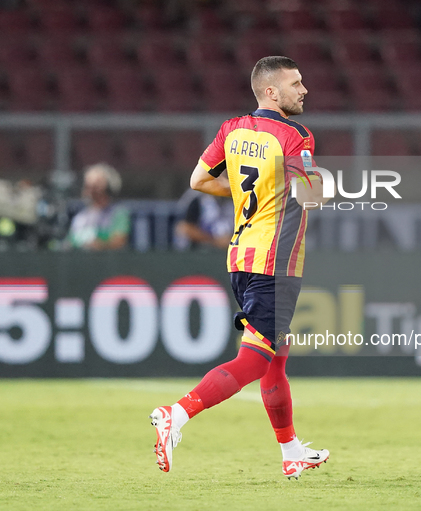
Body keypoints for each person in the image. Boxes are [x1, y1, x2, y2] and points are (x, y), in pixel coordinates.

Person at [150, 56, 329, 480]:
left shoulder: (232, 129)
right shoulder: (297, 135)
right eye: (295, 83)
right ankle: (177, 414)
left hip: (239, 256)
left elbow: (198, 180)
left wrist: (253, 190)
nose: (304, 90)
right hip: (275, 263)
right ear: (272, 92)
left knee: (275, 360)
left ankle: (291, 452)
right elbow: (312, 197)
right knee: (254, 359)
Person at [67, 163, 129, 251]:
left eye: (96, 186)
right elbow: (69, 243)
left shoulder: (118, 213)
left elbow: (119, 241)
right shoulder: (80, 217)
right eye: (88, 186)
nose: (91, 191)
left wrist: (100, 246)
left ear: (107, 187)